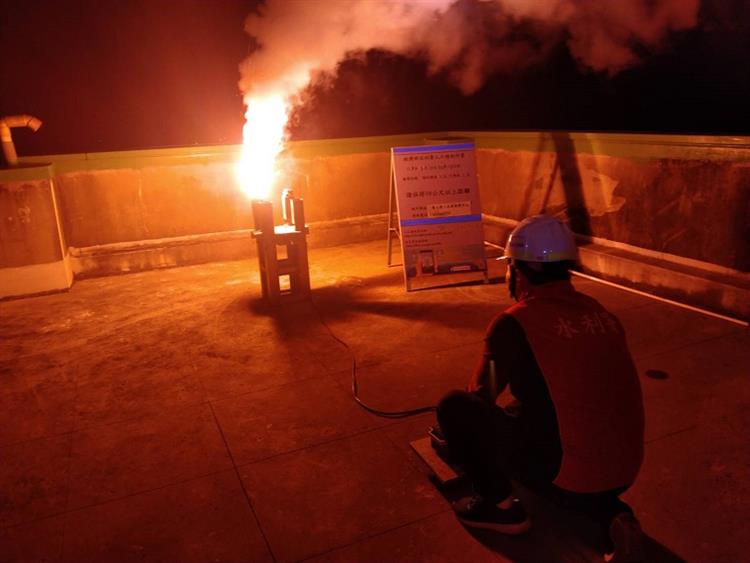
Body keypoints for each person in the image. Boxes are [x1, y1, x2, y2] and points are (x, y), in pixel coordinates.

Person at [437, 214, 645, 562]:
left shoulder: (514, 323)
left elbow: (480, 396)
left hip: (563, 471)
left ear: (519, 271)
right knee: (565, 430)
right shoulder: (600, 313)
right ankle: (611, 513)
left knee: (455, 407)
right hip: (624, 469)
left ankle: (500, 508)